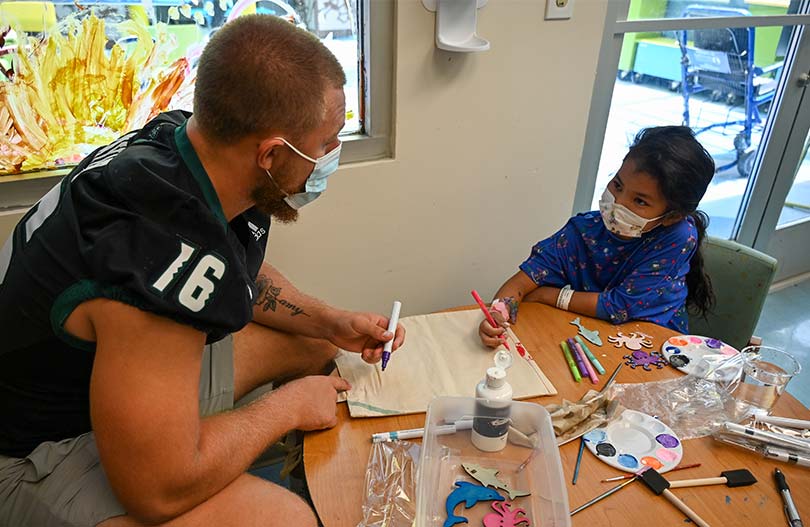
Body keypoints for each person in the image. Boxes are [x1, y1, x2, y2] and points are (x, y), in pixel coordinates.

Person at [0, 15, 404, 527]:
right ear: (271, 154)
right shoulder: (153, 260)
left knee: (316, 347)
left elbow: (228, 271)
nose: (329, 159)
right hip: (32, 454)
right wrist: (289, 409)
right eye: (325, 145)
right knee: (286, 519)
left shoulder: (185, 143)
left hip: (109, 377)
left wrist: (329, 321)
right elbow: (158, 491)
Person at [479, 126, 716, 348]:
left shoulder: (679, 236)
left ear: (672, 216)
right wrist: (498, 314)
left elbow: (619, 306)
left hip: (653, 343)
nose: (618, 203)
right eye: (618, 185)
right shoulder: (584, 230)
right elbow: (521, 283)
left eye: (640, 201)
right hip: (591, 334)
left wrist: (546, 295)